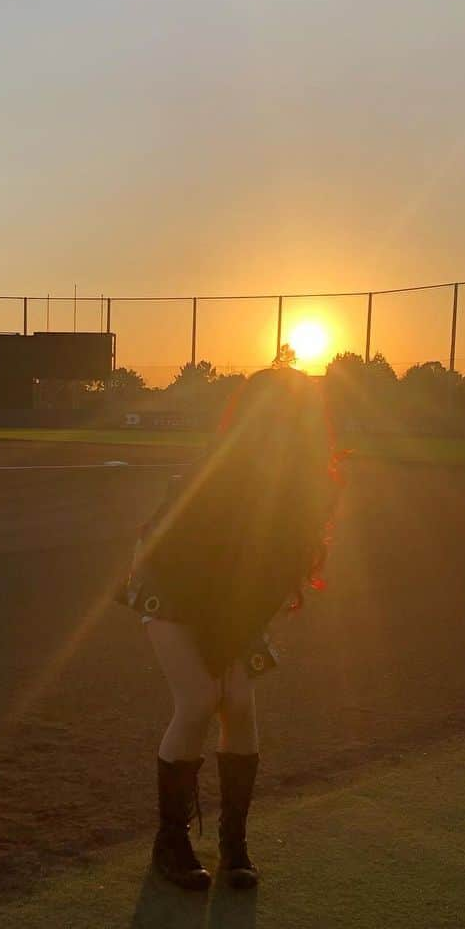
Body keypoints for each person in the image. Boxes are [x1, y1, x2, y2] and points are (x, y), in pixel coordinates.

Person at [117, 361, 344, 891]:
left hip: (233, 601)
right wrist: (211, 649)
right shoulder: (214, 471)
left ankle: (233, 843)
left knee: (238, 703)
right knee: (199, 700)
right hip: (171, 586)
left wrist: (234, 634)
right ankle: (169, 845)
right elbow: (164, 547)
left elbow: (279, 572)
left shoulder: (309, 484)